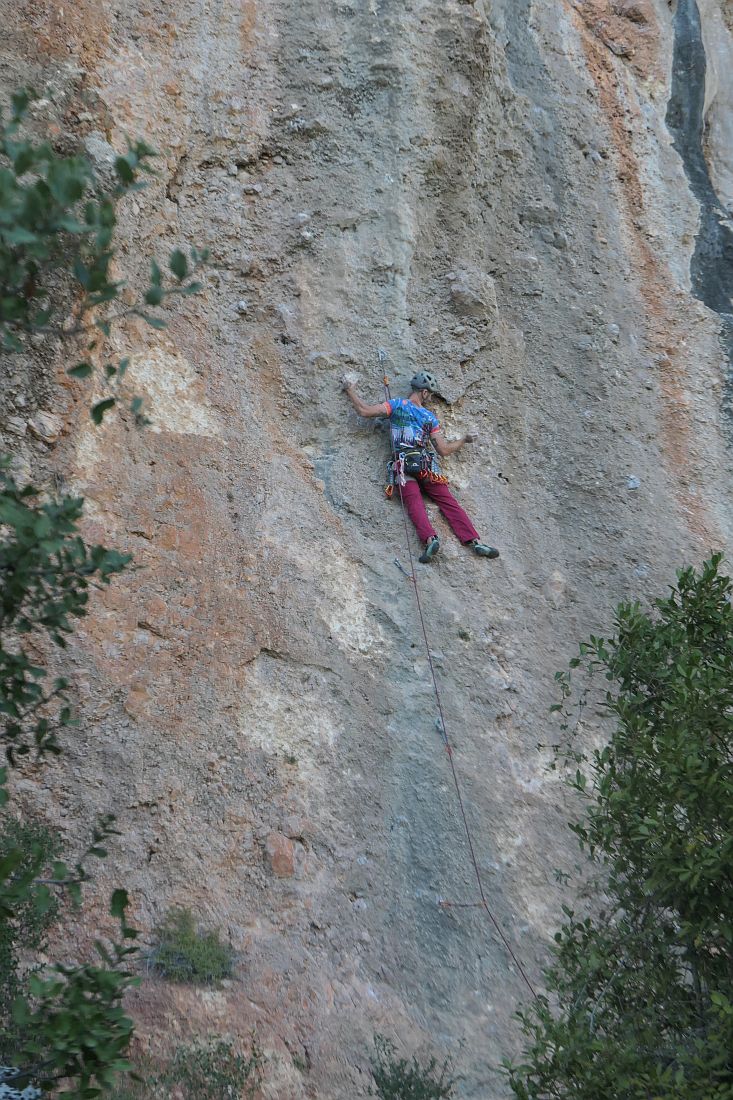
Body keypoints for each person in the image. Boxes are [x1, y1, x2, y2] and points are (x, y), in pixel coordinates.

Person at [342, 370, 500, 564]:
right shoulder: (429, 417)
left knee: (414, 501)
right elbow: (443, 450)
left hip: (403, 465)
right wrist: (464, 440)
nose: (429, 398)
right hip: (426, 466)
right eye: (430, 395)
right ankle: (474, 541)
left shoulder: (396, 405)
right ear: (425, 393)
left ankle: (430, 539)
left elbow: (364, 411)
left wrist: (349, 389)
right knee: (448, 501)